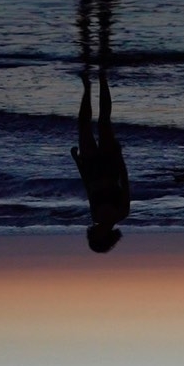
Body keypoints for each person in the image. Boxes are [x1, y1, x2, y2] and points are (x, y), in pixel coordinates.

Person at [71, 70, 130, 253]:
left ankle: (87, 87)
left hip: (91, 167)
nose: (92, 234)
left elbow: (88, 188)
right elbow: (125, 181)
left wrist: (77, 162)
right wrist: (119, 156)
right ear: (105, 238)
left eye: (92, 237)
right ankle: (103, 79)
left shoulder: (95, 215)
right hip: (109, 164)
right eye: (95, 238)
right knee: (104, 122)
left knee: (83, 125)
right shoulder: (121, 213)